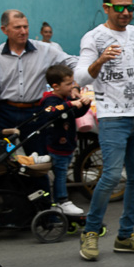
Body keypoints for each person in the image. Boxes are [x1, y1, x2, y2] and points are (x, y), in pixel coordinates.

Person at [75, 0, 134, 261]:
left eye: (130, 7)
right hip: (111, 117)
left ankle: (125, 236)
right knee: (111, 176)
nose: (126, 13)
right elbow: (81, 78)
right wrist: (100, 59)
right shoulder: (95, 37)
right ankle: (91, 231)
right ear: (106, 8)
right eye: (119, 7)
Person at [0, 10, 77, 157]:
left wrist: (75, 84)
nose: (23, 31)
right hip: (5, 114)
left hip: (34, 114)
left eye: (26, 27)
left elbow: (72, 62)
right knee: (3, 159)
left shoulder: (45, 50)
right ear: (4, 30)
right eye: (17, 27)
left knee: (37, 161)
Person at [39, 65, 91, 216]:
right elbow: (49, 112)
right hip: (56, 147)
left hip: (67, 146)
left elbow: (75, 113)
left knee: (62, 173)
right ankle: (61, 201)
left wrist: (84, 105)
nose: (71, 87)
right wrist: (69, 104)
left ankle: (59, 201)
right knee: (60, 175)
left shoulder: (65, 99)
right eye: (68, 84)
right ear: (55, 86)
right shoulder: (50, 99)